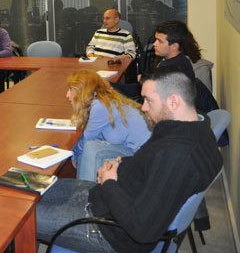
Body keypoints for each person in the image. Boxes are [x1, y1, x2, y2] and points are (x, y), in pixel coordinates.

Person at [36, 67, 222, 253]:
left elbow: (142, 229)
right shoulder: (196, 128)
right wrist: (122, 163)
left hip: (106, 230)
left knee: (17, 215)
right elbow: (150, 163)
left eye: (149, 100)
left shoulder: (177, 156)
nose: (143, 107)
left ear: (174, 101)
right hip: (104, 198)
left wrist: (109, 182)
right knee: (31, 190)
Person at [66, 70, 151, 182]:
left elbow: (88, 137)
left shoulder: (101, 106)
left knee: (89, 147)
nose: (67, 95)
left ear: (82, 90)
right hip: (135, 150)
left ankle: (84, 194)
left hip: (141, 156)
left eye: (71, 89)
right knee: (86, 149)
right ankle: (82, 191)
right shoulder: (104, 101)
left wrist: (74, 157)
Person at [112, 19, 198, 98]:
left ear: (174, 46)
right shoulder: (173, 60)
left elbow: (140, 91)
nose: (154, 44)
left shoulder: (173, 71)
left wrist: (110, 86)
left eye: (160, 41)